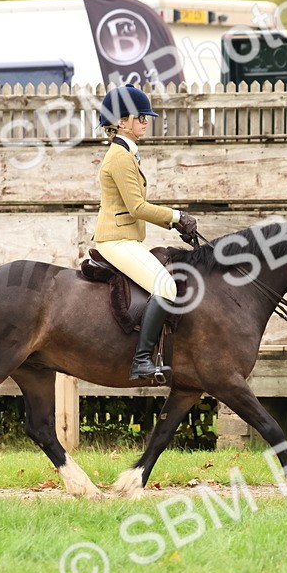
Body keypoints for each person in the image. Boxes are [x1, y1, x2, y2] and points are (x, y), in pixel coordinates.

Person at [92, 85, 197, 380]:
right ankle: (141, 361)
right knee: (166, 287)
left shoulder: (127, 153)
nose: (146, 121)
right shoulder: (120, 157)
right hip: (116, 239)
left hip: (126, 237)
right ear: (121, 122)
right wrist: (176, 217)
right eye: (140, 117)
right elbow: (137, 207)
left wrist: (175, 222)